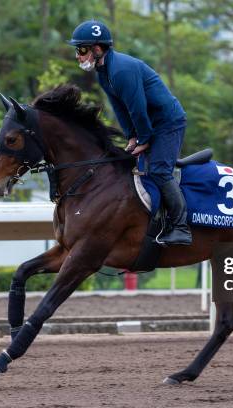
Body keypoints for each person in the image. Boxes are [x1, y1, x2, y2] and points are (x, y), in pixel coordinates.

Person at [68, 20, 192, 246]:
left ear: (97, 49)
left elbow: (138, 108)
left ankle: (181, 227)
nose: (78, 55)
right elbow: (120, 109)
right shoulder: (103, 72)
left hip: (168, 122)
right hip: (149, 122)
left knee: (159, 171)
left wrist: (143, 139)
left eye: (82, 49)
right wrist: (132, 137)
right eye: (77, 50)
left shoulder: (122, 70)